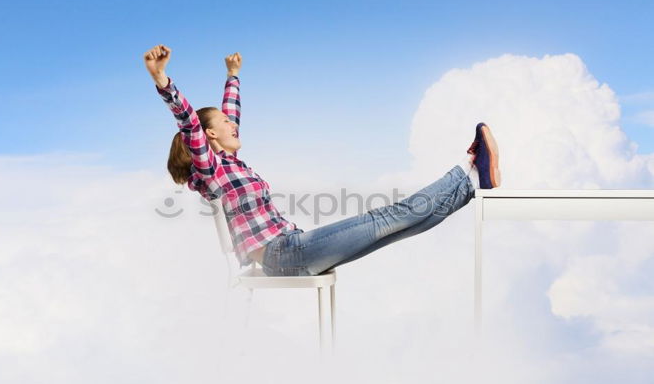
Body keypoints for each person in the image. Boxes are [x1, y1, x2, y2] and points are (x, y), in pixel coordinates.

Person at [143, 44, 501, 277]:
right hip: (284, 255)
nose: (232, 124)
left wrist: (232, 76)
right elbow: (191, 122)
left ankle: (470, 183)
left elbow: (228, 114)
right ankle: (467, 168)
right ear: (209, 137)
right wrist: (162, 79)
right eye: (223, 124)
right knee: (386, 217)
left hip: (290, 249)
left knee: (400, 228)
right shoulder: (212, 169)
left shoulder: (230, 163)